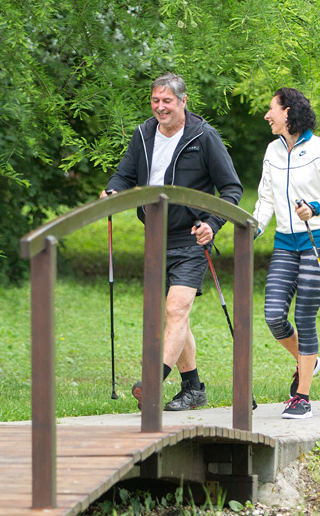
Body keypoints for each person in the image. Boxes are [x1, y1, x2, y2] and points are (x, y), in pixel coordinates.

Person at [101, 73, 243, 411]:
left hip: (190, 237)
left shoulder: (203, 136)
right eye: (155, 100)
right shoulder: (143, 134)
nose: (160, 107)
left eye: (167, 101)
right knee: (176, 318)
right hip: (155, 237)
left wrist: (212, 224)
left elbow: (231, 189)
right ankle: (193, 389)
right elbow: (125, 174)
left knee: (176, 309)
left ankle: (152, 382)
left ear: (183, 101)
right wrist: (113, 190)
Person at [251, 87, 320, 419]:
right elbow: (266, 198)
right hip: (285, 241)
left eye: (272, 109)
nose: (267, 115)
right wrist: (254, 228)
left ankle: (302, 398)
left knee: (305, 316)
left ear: (288, 112)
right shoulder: (272, 151)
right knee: (273, 315)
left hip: (319, 238)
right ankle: (309, 360)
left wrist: (316, 207)